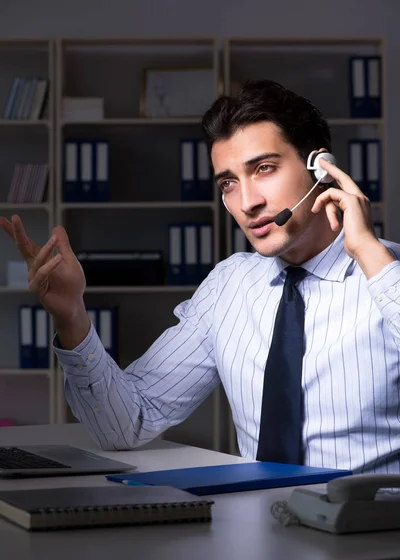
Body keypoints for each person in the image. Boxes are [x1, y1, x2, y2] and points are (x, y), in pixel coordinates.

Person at [1, 80, 399, 474]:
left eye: (264, 168)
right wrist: (72, 316)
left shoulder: (388, 274)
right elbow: (126, 425)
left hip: (374, 531)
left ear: (322, 169)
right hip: (265, 525)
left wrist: (367, 252)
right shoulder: (229, 286)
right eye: (229, 183)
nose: (248, 203)